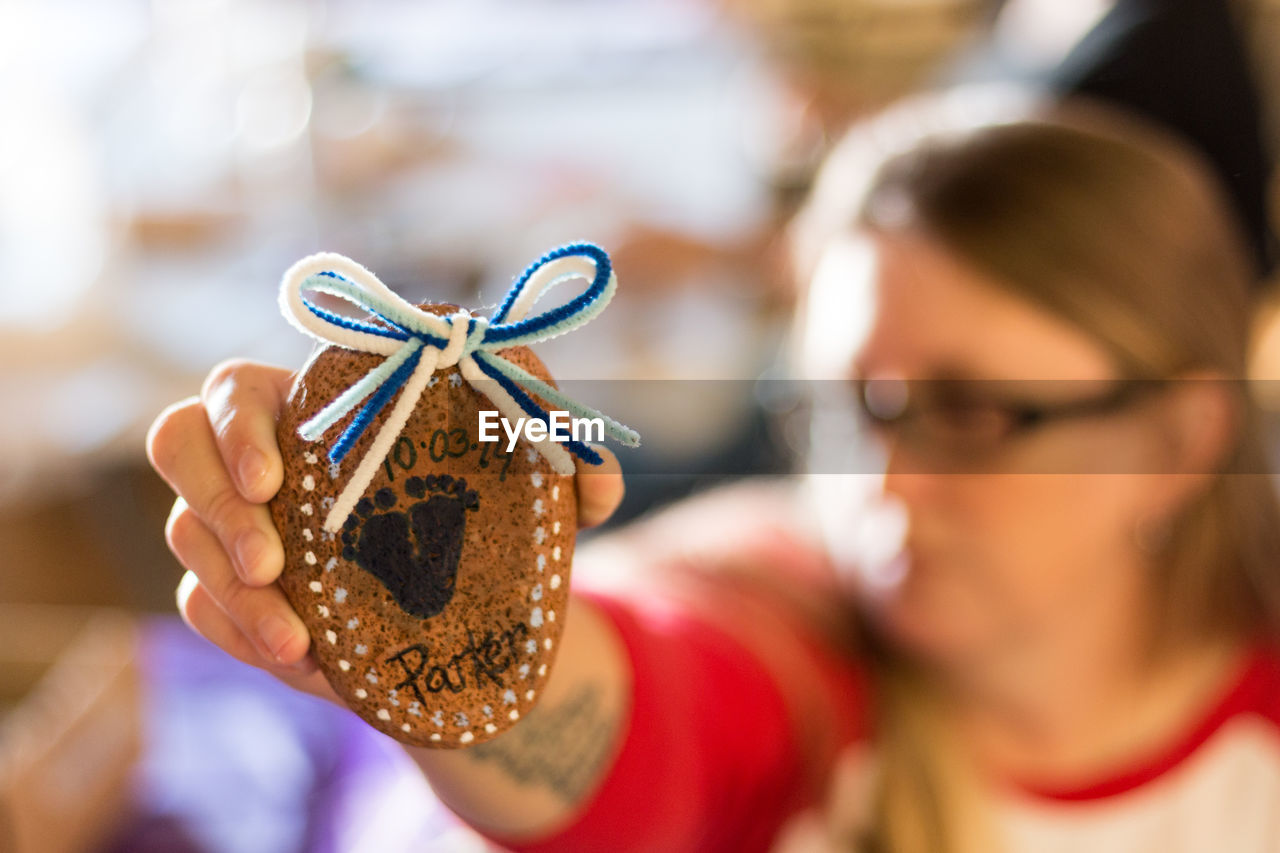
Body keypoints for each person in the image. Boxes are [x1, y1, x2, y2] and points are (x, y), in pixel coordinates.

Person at [146, 94, 1280, 852]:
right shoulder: (794, 624)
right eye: (845, 409)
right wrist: (422, 642)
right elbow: (651, 698)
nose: (877, 489)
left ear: (1178, 442)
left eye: (969, 414)